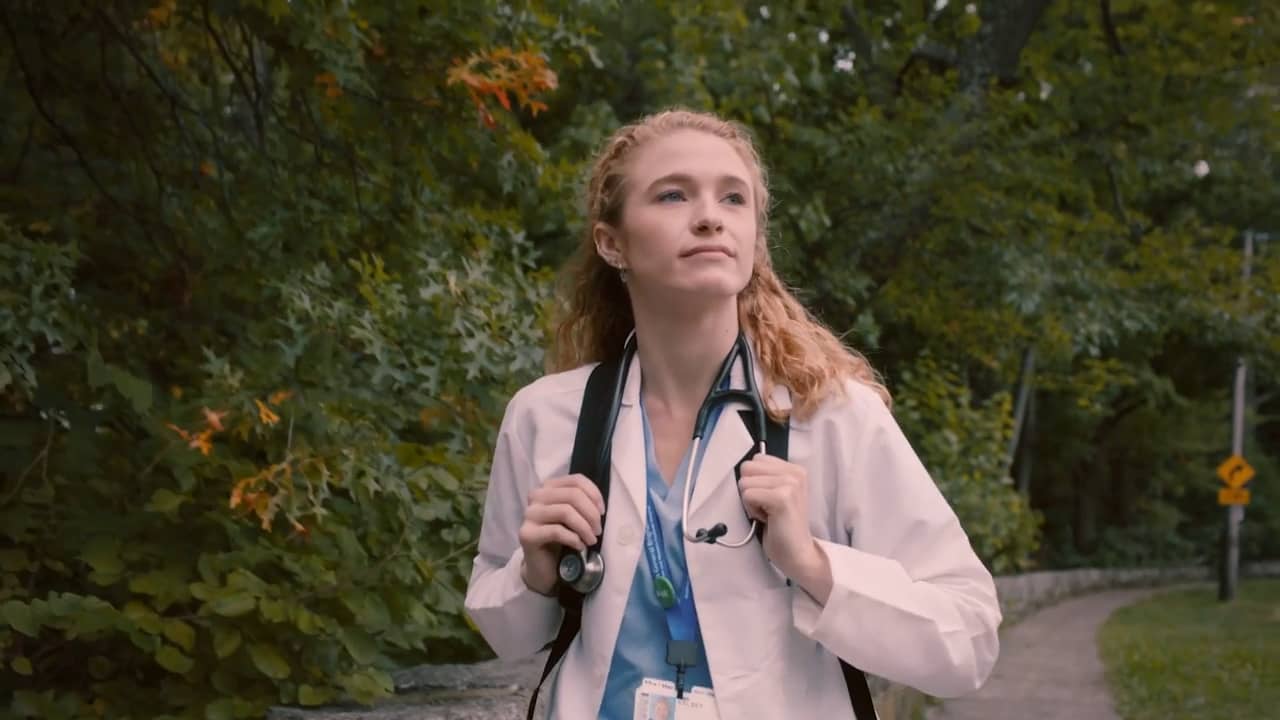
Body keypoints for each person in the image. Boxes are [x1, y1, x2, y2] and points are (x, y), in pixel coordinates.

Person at [464, 108, 1001, 720]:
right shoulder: (546, 417)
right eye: (672, 194)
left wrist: (813, 564)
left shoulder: (831, 417)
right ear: (612, 242)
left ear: (752, 239)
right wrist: (533, 574)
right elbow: (503, 631)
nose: (710, 216)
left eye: (733, 198)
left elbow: (969, 641)